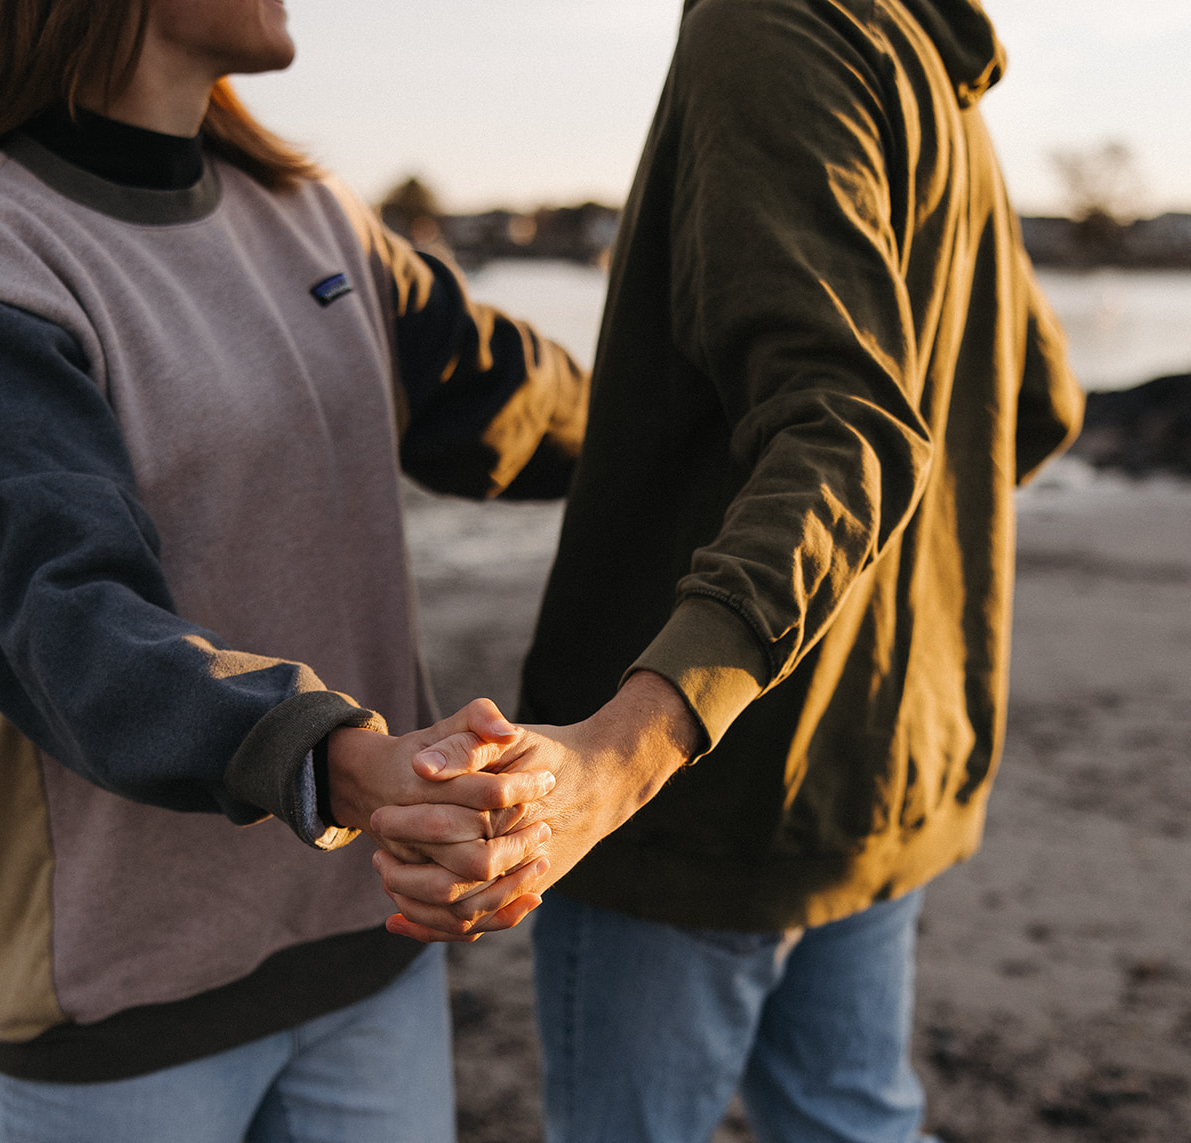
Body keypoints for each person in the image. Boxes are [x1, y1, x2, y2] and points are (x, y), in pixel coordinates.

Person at [0, 0, 581, 1139]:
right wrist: (338, 762)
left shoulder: (314, 220)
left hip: (363, 949)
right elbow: (66, 620)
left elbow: (526, 408)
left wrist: (749, 403)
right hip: (120, 996)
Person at [371, 0, 1086, 1140]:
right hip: (881, 769)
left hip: (705, 795)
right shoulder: (930, 70)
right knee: (852, 1119)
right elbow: (1036, 405)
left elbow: (847, 426)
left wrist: (617, 755)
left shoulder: (768, 21)